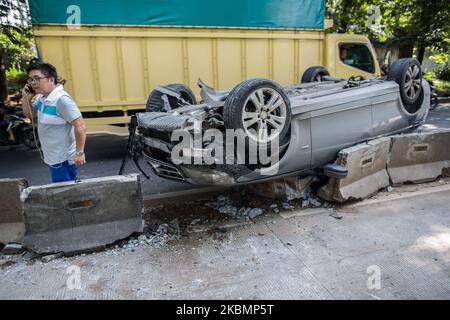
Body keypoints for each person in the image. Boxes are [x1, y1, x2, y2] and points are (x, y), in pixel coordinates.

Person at [21, 62, 86, 183]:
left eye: (37, 78)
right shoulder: (43, 98)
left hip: (63, 160)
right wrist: (25, 97)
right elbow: (30, 114)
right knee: (64, 193)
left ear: (51, 79)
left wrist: (79, 152)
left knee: (66, 193)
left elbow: (80, 125)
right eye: (30, 79)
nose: (33, 83)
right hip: (53, 158)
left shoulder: (61, 100)